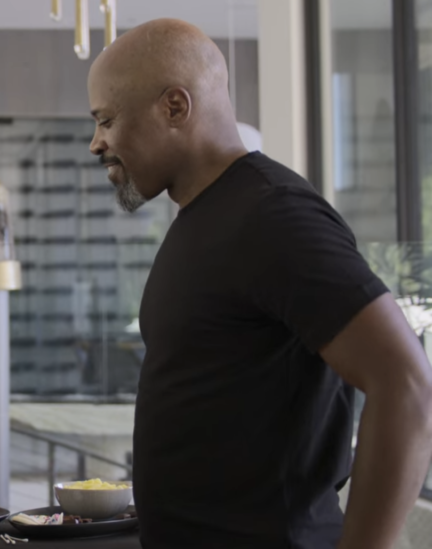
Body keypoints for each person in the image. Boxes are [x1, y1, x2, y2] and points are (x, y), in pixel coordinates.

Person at [86, 18, 432, 549]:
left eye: (106, 120)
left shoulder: (274, 216)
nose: (96, 144)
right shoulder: (205, 215)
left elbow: (406, 384)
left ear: (174, 107)